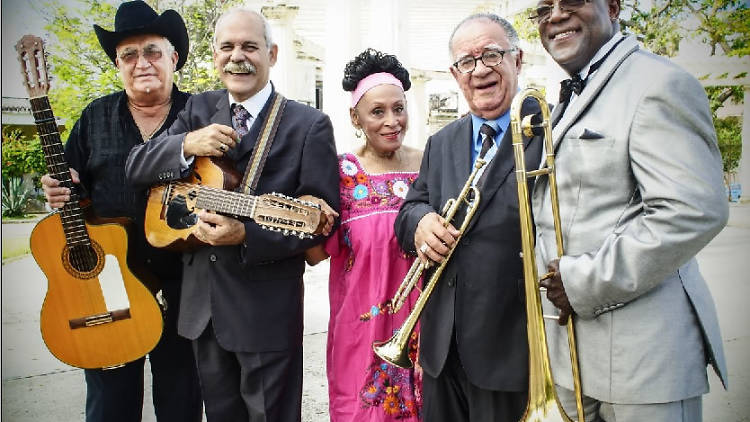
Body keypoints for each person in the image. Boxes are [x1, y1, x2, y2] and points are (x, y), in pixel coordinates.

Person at [124, 7, 339, 421]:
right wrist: (187, 143)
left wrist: (247, 235)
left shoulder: (308, 125)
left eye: (249, 46)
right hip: (203, 311)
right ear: (215, 55)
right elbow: (137, 167)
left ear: (272, 54)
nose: (236, 56)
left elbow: (317, 222)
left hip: (267, 313)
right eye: (227, 47)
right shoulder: (198, 111)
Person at [530, 0, 729, 420]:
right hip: (572, 358)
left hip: (644, 361)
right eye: (544, 7)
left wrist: (581, 282)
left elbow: (691, 210)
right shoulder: (572, 94)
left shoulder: (658, 82)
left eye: (572, 1)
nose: (556, 15)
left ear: (615, 6)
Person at [40, 2, 202, 421]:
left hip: (185, 282)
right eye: (129, 55)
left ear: (174, 58)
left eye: (152, 51)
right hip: (109, 284)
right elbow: (74, 190)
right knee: (110, 406)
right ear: (117, 63)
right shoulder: (95, 116)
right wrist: (60, 192)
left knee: (181, 403)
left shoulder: (201, 114)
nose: (141, 63)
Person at [394, 13, 544, 422]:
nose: (479, 70)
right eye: (466, 61)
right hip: (443, 349)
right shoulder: (442, 142)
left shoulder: (547, 133)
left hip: (509, 345)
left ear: (517, 59)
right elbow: (409, 210)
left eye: (491, 55)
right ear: (454, 73)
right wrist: (421, 222)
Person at [305, 48, 424, 421]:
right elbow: (313, 255)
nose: (392, 121)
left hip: (426, 331)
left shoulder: (432, 163)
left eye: (398, 108)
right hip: (360, 334)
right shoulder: (339, 174)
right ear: (355, 117)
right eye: (377, 112)